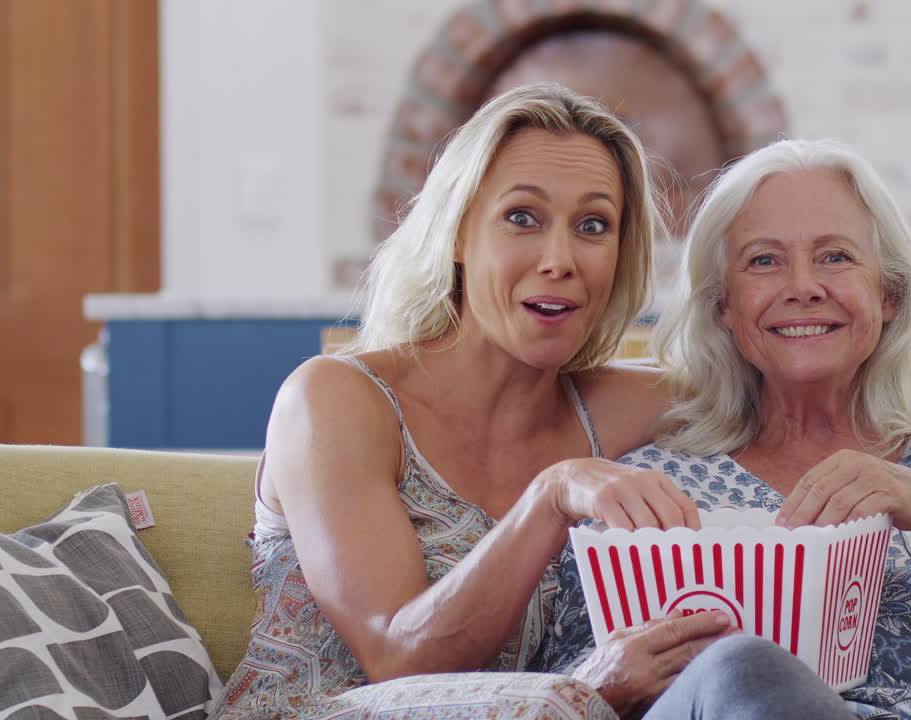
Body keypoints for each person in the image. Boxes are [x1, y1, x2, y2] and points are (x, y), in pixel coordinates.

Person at [535, 138, 911, 719]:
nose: (803, 286)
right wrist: (611, 679)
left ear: (888, 293)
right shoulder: (643, 489)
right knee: (742, 667)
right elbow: (563, 692)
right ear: (723, 308)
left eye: (836, 257)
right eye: (764, 261)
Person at [210, 83, 735, 720]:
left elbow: (785, 398)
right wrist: (552, 495)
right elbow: (397, 658)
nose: (559, 259)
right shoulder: (336, 401)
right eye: (522, 218)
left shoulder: (616, 408)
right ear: (457, 234)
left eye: (593, 226)